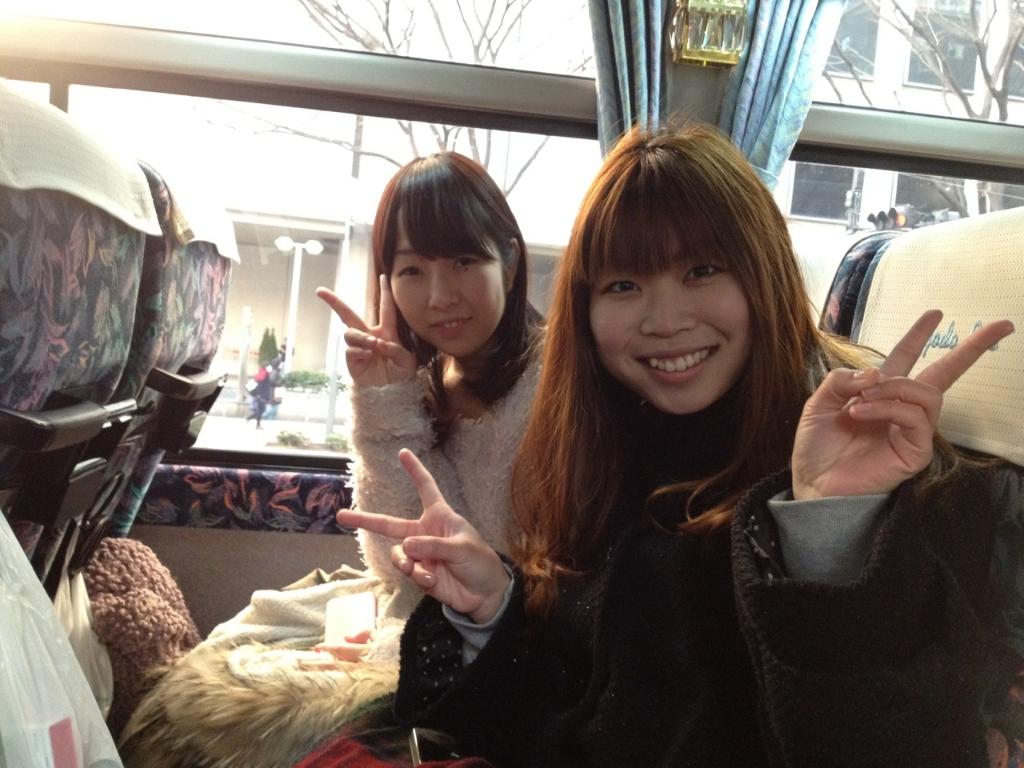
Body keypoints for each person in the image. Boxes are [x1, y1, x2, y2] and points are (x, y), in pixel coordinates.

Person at [332, 126, 1022, 766]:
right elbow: (575, 708)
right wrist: (494, 608)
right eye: (624, 285)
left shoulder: (885, 463)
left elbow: (890, 742)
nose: (663, 321)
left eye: (701, 271)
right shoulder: (606, 443)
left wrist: (830, 527)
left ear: (764, 273)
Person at [316, 150, 544, 647]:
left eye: (463, 261)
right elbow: (397, 559)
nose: (440, 297)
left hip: (529, 644)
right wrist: (384, 401)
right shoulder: (420, 383)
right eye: (412, 270)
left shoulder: (559, 386)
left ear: (509, 264)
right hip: (446, 621)